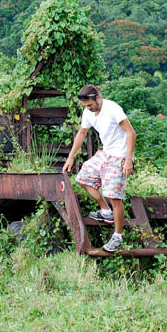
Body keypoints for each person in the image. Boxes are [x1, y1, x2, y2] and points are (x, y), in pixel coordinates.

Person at [62, 85, 136, 252]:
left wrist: (128, 160)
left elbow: (131, 133)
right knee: (83, 178)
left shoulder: (112, 108)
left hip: (119, 156)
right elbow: (82, 133)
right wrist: (71, 157)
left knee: (114, 196)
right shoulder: (88, 112)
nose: (88, 108)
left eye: (90, 104)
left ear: (97, 97)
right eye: (85, 106)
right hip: (105, 153)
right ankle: (105, 210)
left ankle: (117, 236)